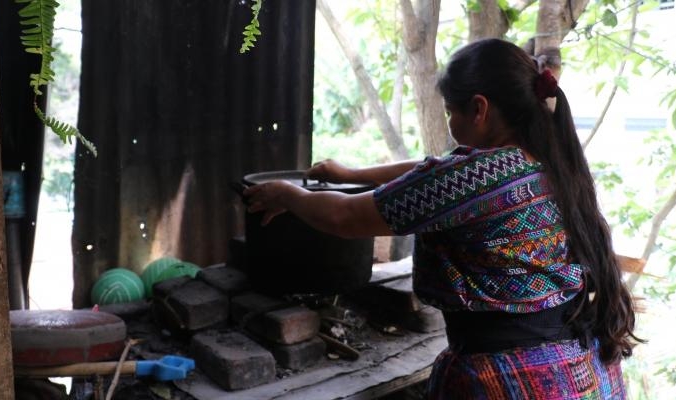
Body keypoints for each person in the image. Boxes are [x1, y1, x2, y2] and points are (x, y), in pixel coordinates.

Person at [244, 38, 641, 399]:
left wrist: (287, 195)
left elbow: (347, 217)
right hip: (585, 371)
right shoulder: (551, 164)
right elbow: (434, 169)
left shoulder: (477, 178)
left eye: (451, 112)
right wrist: (351, 174)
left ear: (479, 108)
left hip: (514, 381)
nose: (451, 124)